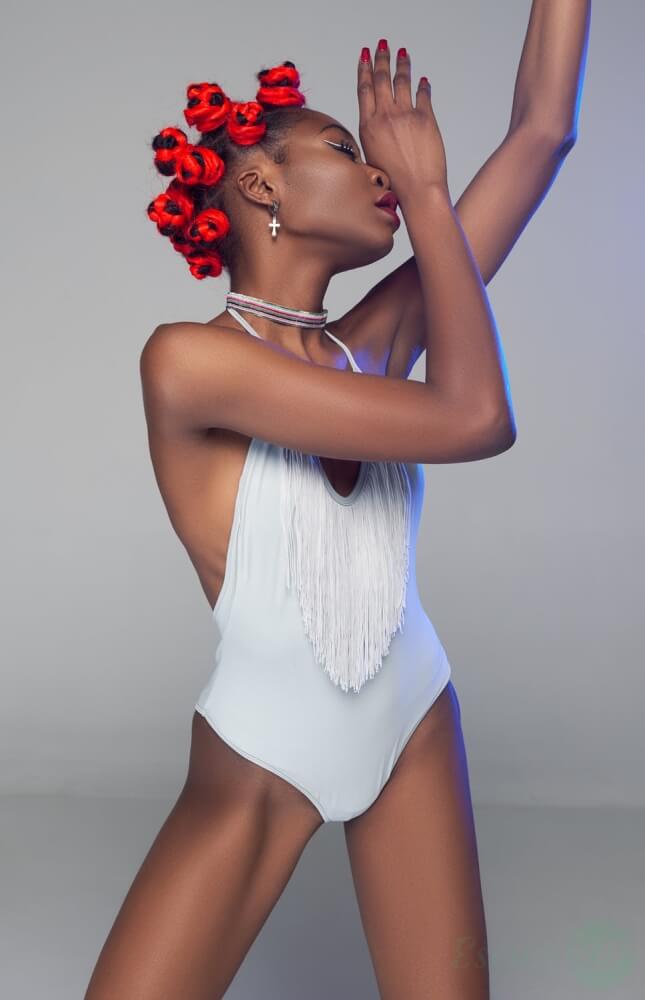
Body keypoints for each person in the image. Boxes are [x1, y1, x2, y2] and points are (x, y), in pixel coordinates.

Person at [85, 12, 589, 998]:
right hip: (261, 756)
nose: (383, 172)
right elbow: (476, 417)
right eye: (345, 150)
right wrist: (431, 196)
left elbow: (542, 133)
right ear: (260, 185)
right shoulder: (188, 362)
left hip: (413, 721)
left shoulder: (371, 346)